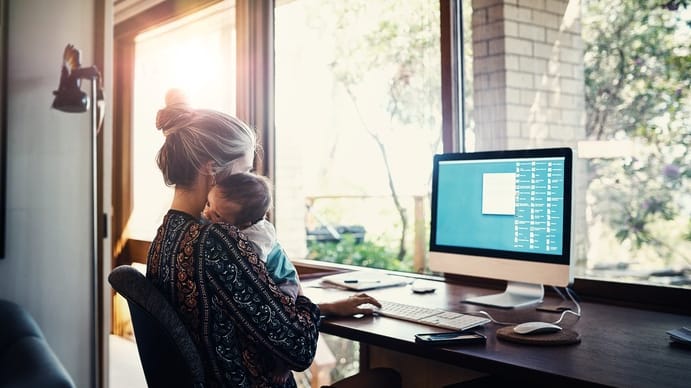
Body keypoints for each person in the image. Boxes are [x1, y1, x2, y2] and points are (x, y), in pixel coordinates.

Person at [146, 89, 401, 388]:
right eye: (245, 171)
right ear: (211, 170)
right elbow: (299, 350)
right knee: (388, 378)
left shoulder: (164, 239)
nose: (249, 183)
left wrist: (326, 308)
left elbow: (244, 311)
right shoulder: (216, 242)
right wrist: (303, 300)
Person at [203, 172, 299, 384]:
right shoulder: (235, 224)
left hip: (284, 282)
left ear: (244, 223)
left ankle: (283, 364)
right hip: (274, 279)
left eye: (217, 216)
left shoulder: (257, 238)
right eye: (208, 203)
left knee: (281, 321)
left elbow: (251, 268)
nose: (207, 213)